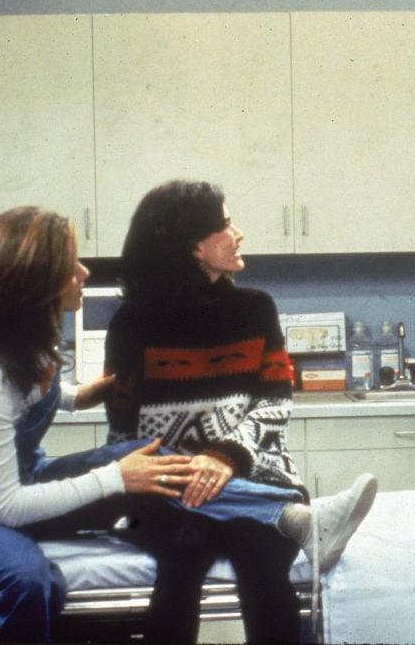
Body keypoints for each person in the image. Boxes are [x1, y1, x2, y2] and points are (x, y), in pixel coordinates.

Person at [0, 206, 375, 643]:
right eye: (72, 265)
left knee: (138, 457)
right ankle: (294, 519)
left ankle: (298, 519)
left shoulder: (27, 345)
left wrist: (74, 396)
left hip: (17, 482)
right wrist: (115, 479)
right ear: (36, 282)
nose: (85, 273)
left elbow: (23, 400)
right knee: (29, 578)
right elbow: (4, 506)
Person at [103, 179, 377, 641]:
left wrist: (225, 456)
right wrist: (189, 470)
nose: (239, 233)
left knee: (261, 555)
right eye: (227, 224)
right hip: (171, 490)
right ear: (194, 247)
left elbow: (275, 403)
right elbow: (124, 431)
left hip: (252, 472)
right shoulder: (131, 323)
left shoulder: (256, 309)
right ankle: (303, 522)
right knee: (184, 552)